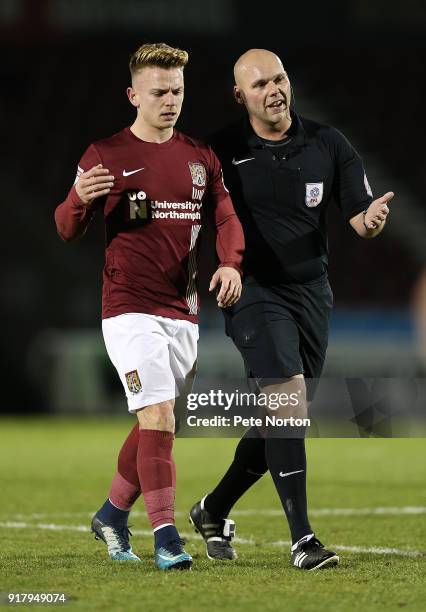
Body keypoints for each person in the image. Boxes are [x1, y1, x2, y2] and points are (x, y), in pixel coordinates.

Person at [189, 48, 394, 570]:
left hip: (311, 294)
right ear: (241, 96)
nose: (274, 90)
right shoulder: (220, 150)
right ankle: (303, 540)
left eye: (279, 79)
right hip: (251, 290)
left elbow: (357, 215)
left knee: (282, 415)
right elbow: (181, 216)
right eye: (260, 85)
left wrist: (370, 221)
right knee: (286, 403)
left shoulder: (328, 142)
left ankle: (213, 509)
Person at [54, 42, 244, 570]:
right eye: (159, 92)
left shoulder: (199, 158)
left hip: (181, 313)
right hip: (127, 310)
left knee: (156, 423)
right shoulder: (105, 154)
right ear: (133, 94)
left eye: (177, 91)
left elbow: (226, 218)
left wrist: (229, 263)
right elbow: (67, 228)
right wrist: (78, 200)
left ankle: (112, 514)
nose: (170, 100)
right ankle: (166, 538)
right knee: (158, 413)